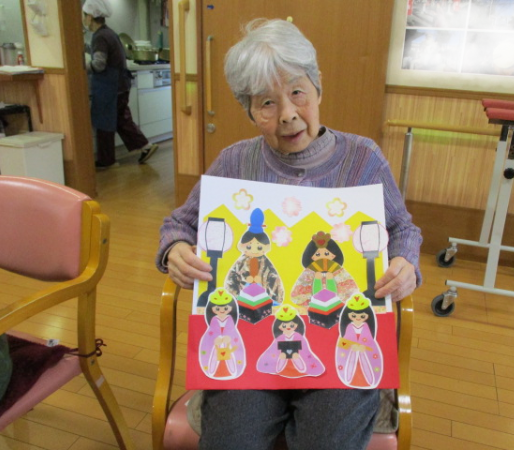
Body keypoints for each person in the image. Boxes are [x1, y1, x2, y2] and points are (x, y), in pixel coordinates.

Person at [156, 18, 422, 450]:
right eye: (266, 102)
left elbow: (402, 228)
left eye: (298, 92)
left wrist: (405, 263)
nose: (287, 113)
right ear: (249, 111)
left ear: (318, 87)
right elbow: (179, 223)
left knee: (329, 442)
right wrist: (176, 249)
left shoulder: (363, 158)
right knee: (229, 441)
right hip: (248, 345)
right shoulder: (234, 163)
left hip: (339, 345)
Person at [82, 0, 159, 169]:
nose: (83, 19)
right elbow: (102, 54)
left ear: (90, 17)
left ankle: (107, 160)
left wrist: (81, 67)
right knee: (120, 120)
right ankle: (144, 146)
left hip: (110, 87)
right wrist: (83, 48)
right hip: (118, 85)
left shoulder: (100, 36)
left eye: (84, 15)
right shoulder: (108, 33)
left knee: (106, 122)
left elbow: (99, 64)